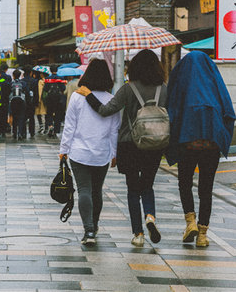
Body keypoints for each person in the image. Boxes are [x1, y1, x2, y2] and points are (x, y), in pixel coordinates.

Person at [76, 49, 167, 247]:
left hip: (130, 144)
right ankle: (150, 216)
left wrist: (89, 95)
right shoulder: (164, 88)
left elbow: (105, 110)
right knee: (148, 185)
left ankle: (138, 234)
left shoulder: (128, 89)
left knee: (133, 189)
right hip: (156, 143)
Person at [166, 50, 236, 247]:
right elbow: (229, 112)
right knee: (206, 189)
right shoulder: (214, 84)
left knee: (184, 183)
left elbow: (171, 112)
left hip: (187, 144)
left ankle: (190, 222)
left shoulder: (182, 85)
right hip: (211, 146)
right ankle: (203, 235)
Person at [59, 59, 120, 247]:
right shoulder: (111, 100)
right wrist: (114, 153)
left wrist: (64, 150)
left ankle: (89, 229)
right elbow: (114, 129)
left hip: (79, 152)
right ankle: (95, 225)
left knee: (84, 189)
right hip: (102, 152)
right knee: (96, 190)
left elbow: (69, 126)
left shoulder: (77, 97)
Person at [43, 65, 66, 139]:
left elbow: (45, 89)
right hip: (59, 99)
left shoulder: (47, 79)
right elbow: (63, 89)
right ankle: (56, 131)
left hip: (50, 99)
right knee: (58, 114)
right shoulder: (61, 78)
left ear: (50, 70)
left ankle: (50, 126)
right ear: (57, 70)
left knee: (49, 113)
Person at [8, 69, 30, 140]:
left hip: (13, 101)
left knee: (14, 117)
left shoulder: (11, 83)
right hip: (22, 102)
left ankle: (14, 133)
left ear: (13, 76)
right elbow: (27, 92)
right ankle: (20, 133)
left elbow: (8, 93)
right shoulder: (23, 83)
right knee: (21, 117)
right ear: (20, 75)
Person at [21, 66, 38, 138]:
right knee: (31, 117)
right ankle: (32, 132)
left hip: (24, 101)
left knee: (23, 117)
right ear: (31, 73)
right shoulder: (34, 81)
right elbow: (36, 92)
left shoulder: (22, 81)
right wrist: (36, 102)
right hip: (32, 101)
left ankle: (23, 132)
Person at [35, 69, 48, 135]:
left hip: (41, 100)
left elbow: (40, 91)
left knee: (38, 113)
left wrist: (39, 100)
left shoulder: (40, 81)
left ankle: (41, 126)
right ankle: (46, 127)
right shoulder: (48, 80)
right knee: (46, 114)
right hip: (47, 100)